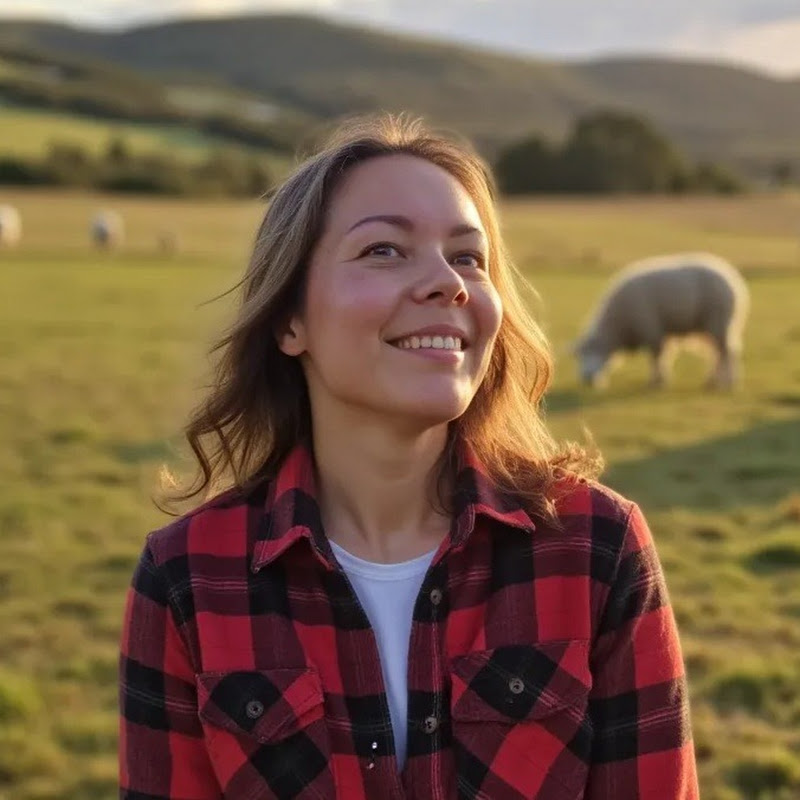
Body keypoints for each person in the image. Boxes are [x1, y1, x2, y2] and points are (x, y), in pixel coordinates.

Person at [119, 114, 699, 799]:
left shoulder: (595, 545)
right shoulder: (187, 575)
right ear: (289, 320)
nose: (448, 283)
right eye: (385, 251)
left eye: (468, 257)